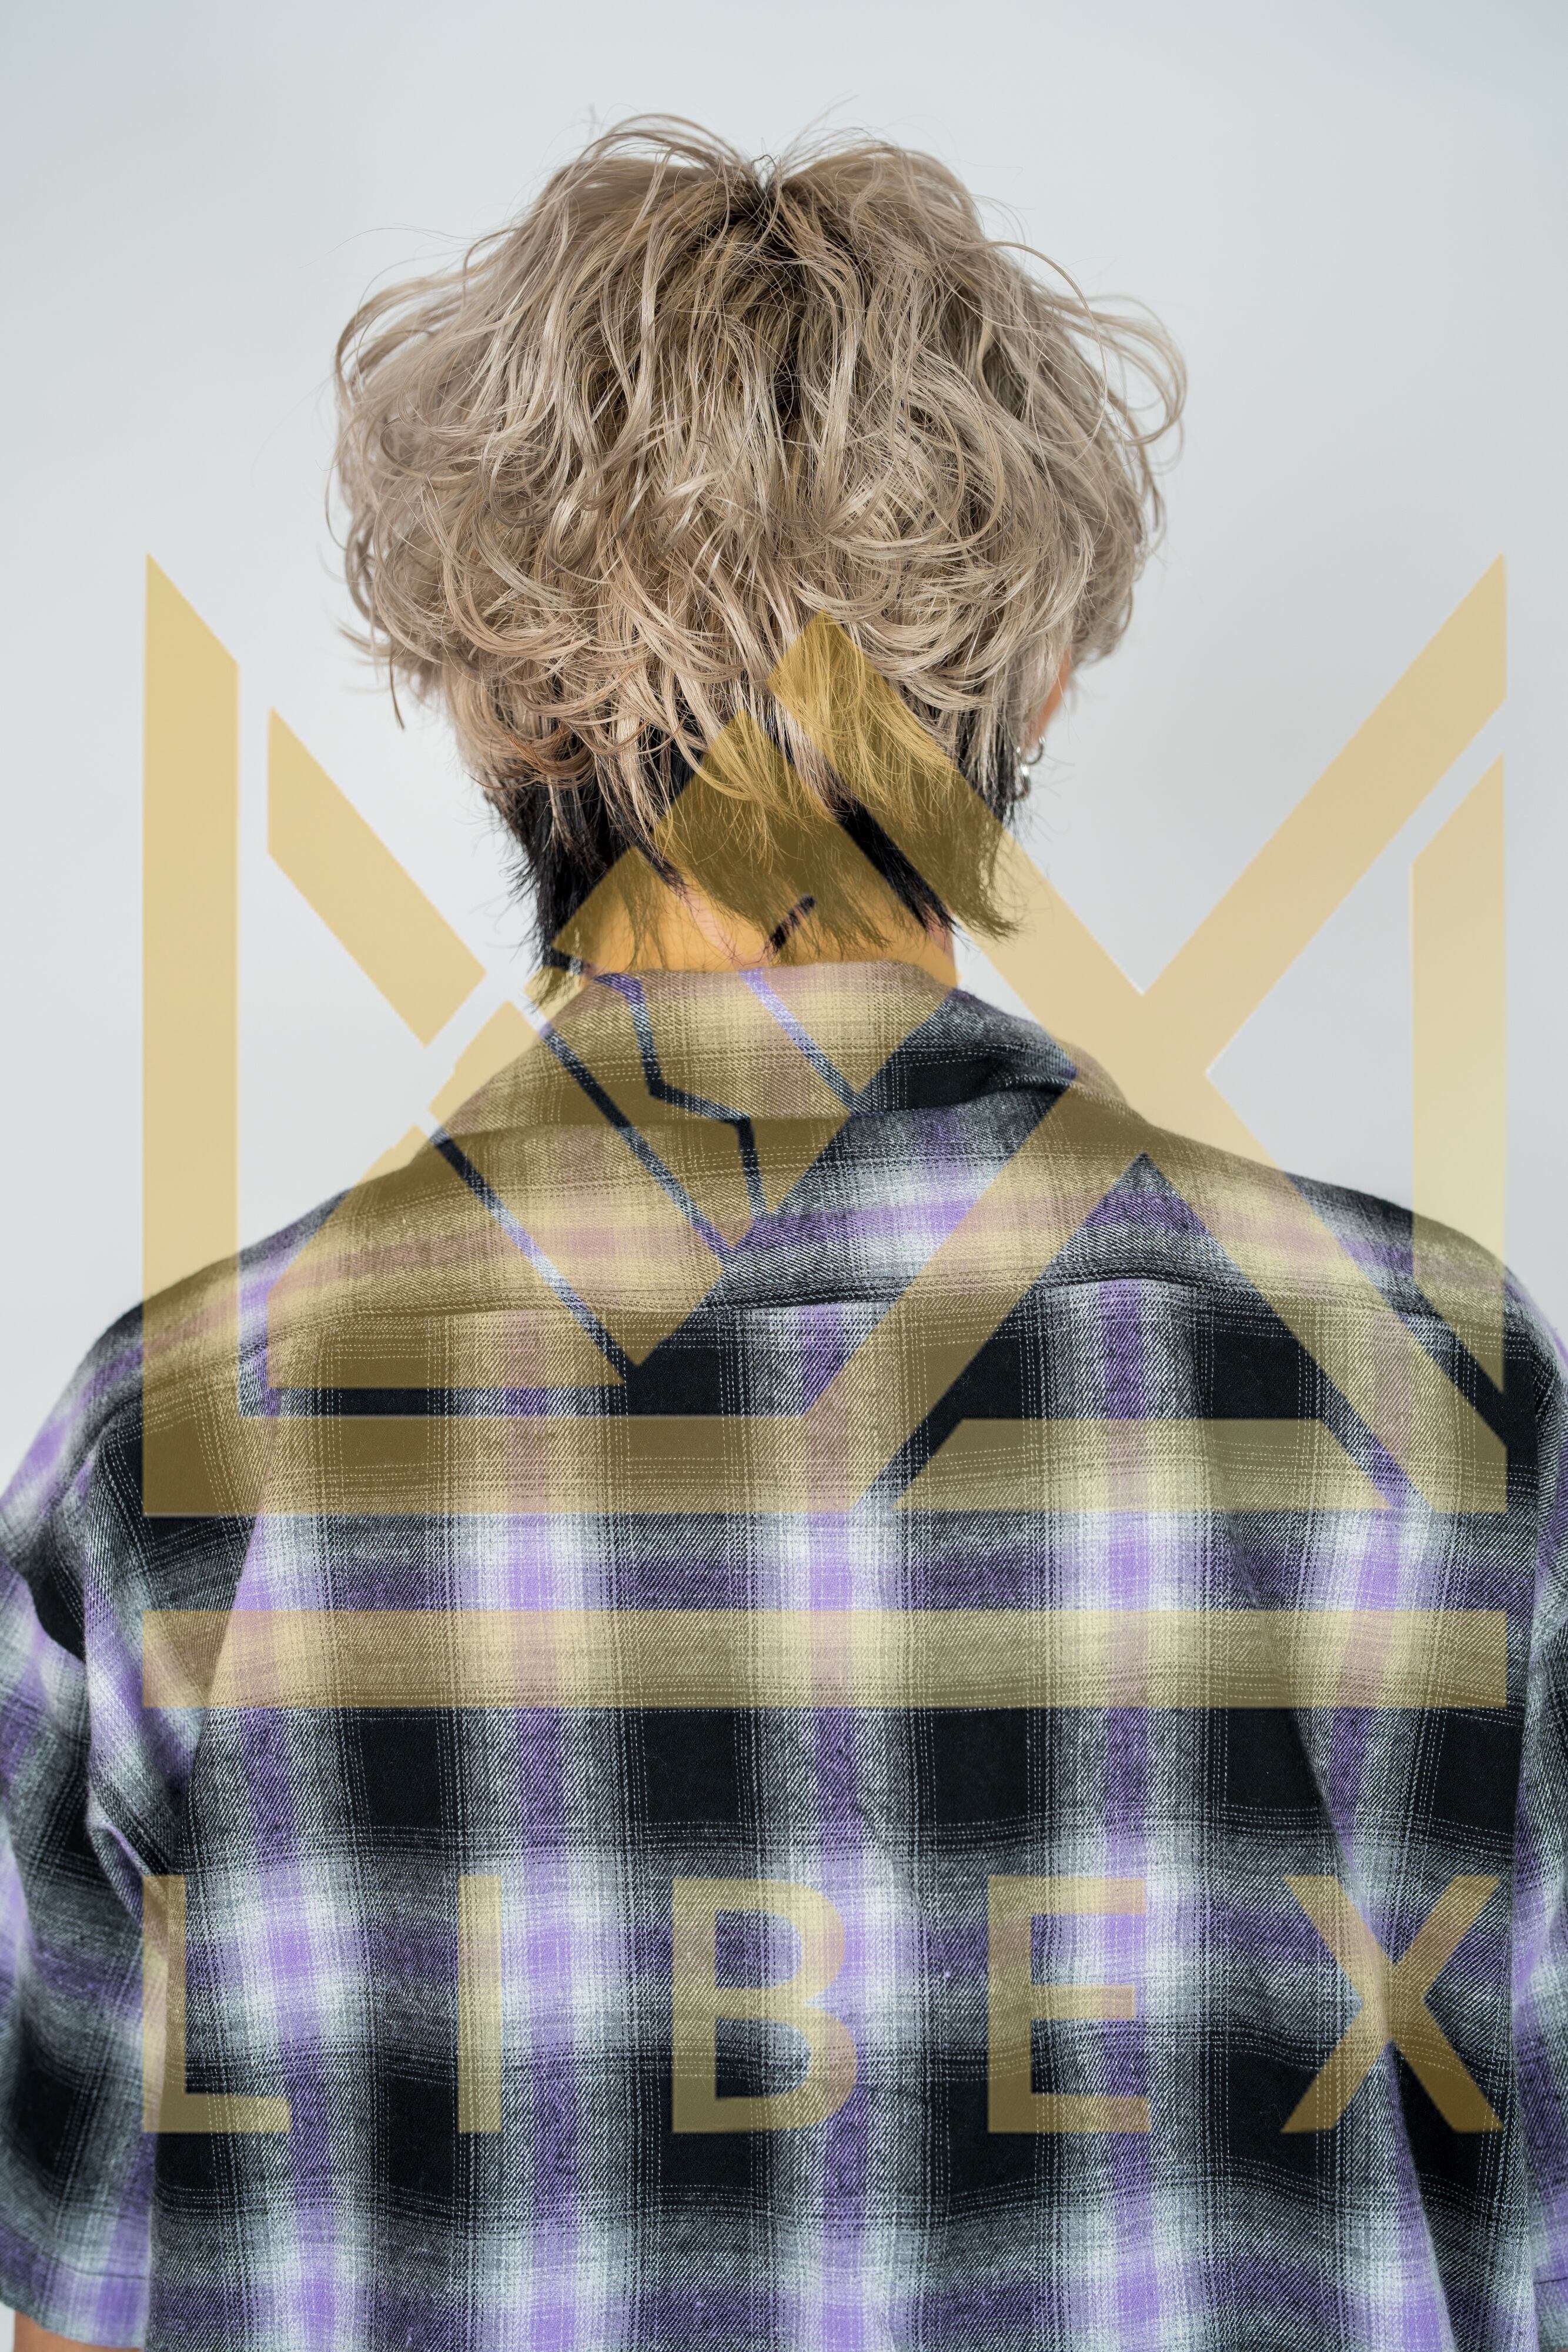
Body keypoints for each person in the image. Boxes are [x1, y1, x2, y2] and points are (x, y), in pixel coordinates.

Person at [2, 117, 1564, 2352]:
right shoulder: (1443, 1395)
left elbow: (68, 2318)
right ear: (1036, 684)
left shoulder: (170, 1460)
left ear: (490, 707)